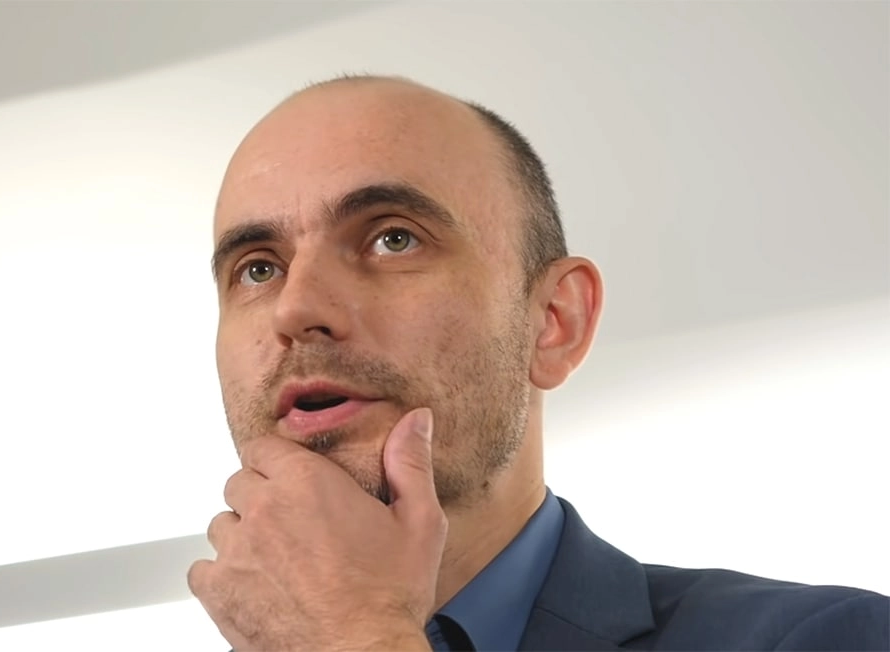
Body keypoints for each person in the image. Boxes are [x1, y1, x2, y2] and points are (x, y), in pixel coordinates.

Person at [187, 75, 889, 651]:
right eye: (258, 269)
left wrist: (356, 639)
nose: (296, 307)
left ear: (555, 322)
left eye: (394, 238)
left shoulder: (827, 638)